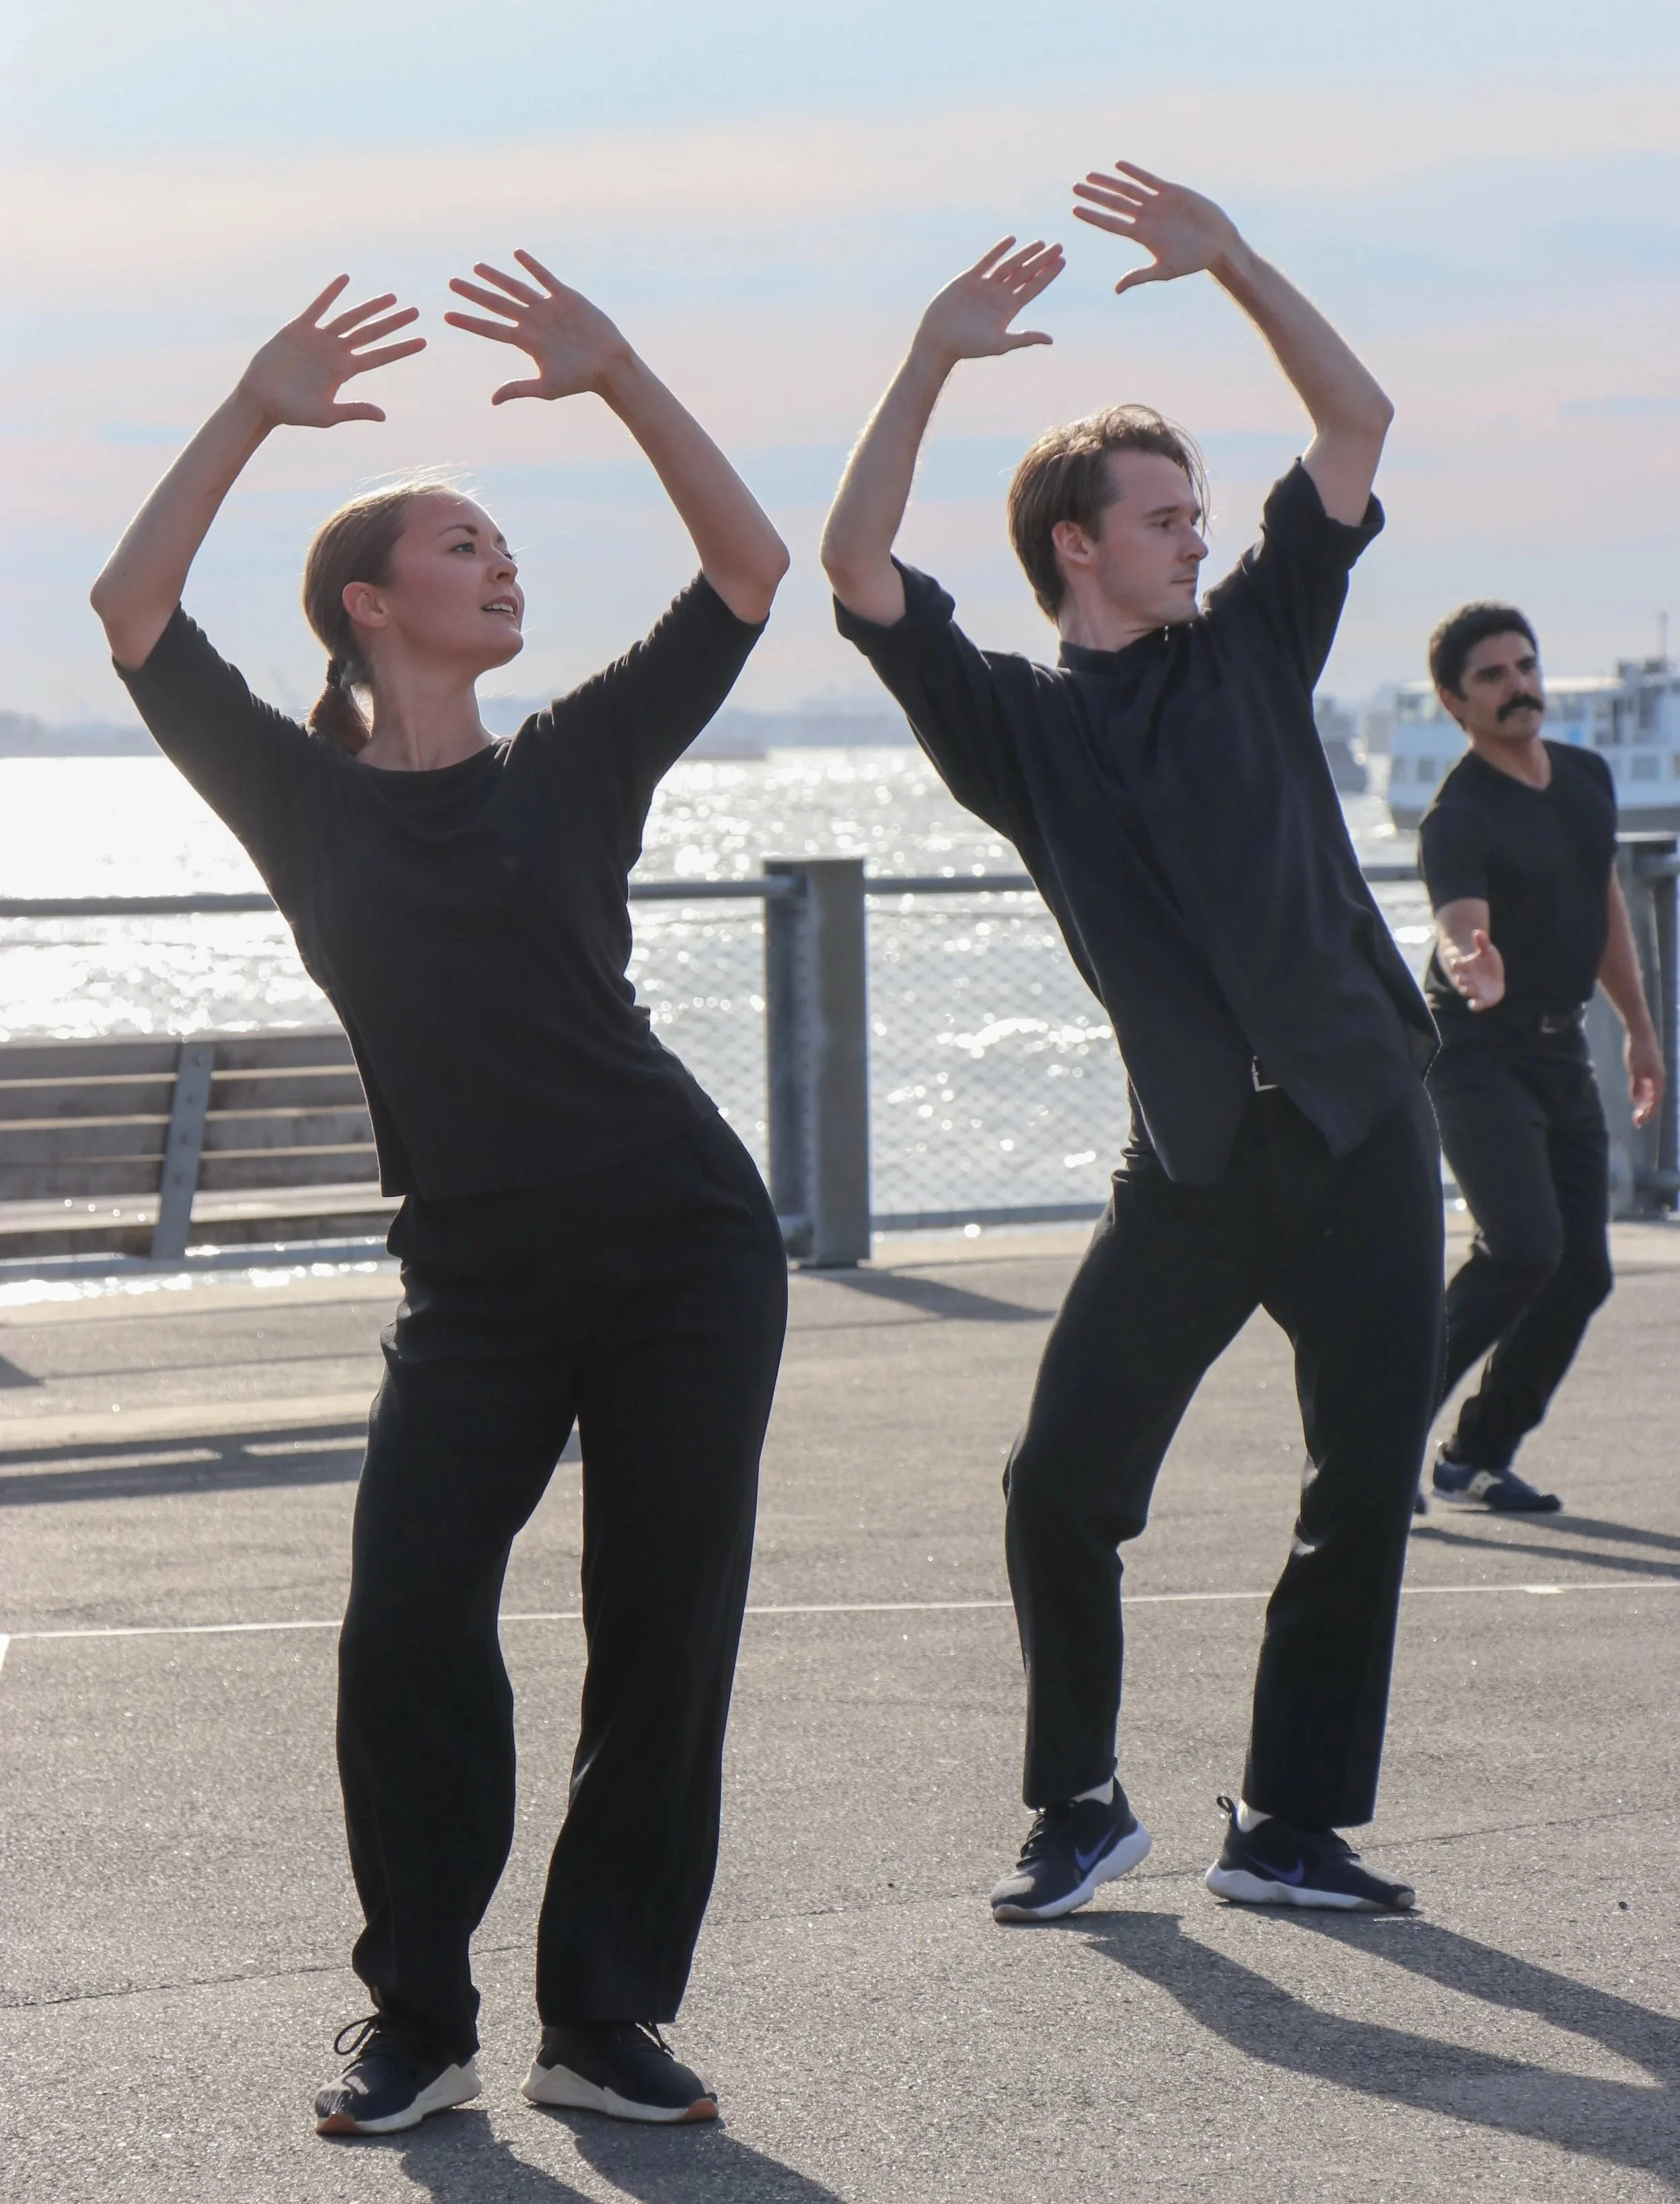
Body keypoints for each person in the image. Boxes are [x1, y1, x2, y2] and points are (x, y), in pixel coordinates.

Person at [89, 257, 791, 2133]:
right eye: (462, 542)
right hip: (472, 1284)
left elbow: (746, 575)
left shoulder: (570, 766)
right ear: (368, 603)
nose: (502, 566)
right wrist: (250, 405)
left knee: (661, 1632)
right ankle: (418, 2013)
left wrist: (626, 370)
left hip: (682, 1250)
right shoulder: (303, 806)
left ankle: (605, 2015)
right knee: (404, 1622)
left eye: (503, 546)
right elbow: (132, 609)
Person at [821, 162, 1443, 1922]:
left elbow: (1354, 415)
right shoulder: (1016, 728)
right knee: (1059, 1488)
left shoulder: (1255, 642)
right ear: (1073, 547)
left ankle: (1288, 1826)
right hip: (1188, 1163)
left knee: (1359, 1488)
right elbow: (856, 564)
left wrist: (1234, 257)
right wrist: (930, 360)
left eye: (1194, 508)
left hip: (1363, 1126)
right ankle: (1078, 1801)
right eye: (1159, 514)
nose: (1193, 531)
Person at [1416, 603, 1666, 1512]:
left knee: (1583, 1271)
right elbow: (1459, 926)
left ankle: (1474, 1457)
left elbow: (1604, 906)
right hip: (1476, 1054)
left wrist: (1640, 1029)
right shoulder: (1457, 816)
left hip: (1560, 1050)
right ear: (1455, 699)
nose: (1519, 685)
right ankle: (1373, 1440)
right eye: (1493, 675)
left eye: (1525, 666)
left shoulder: (1587, 777)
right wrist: (1468, 959)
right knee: (1523, 1247)